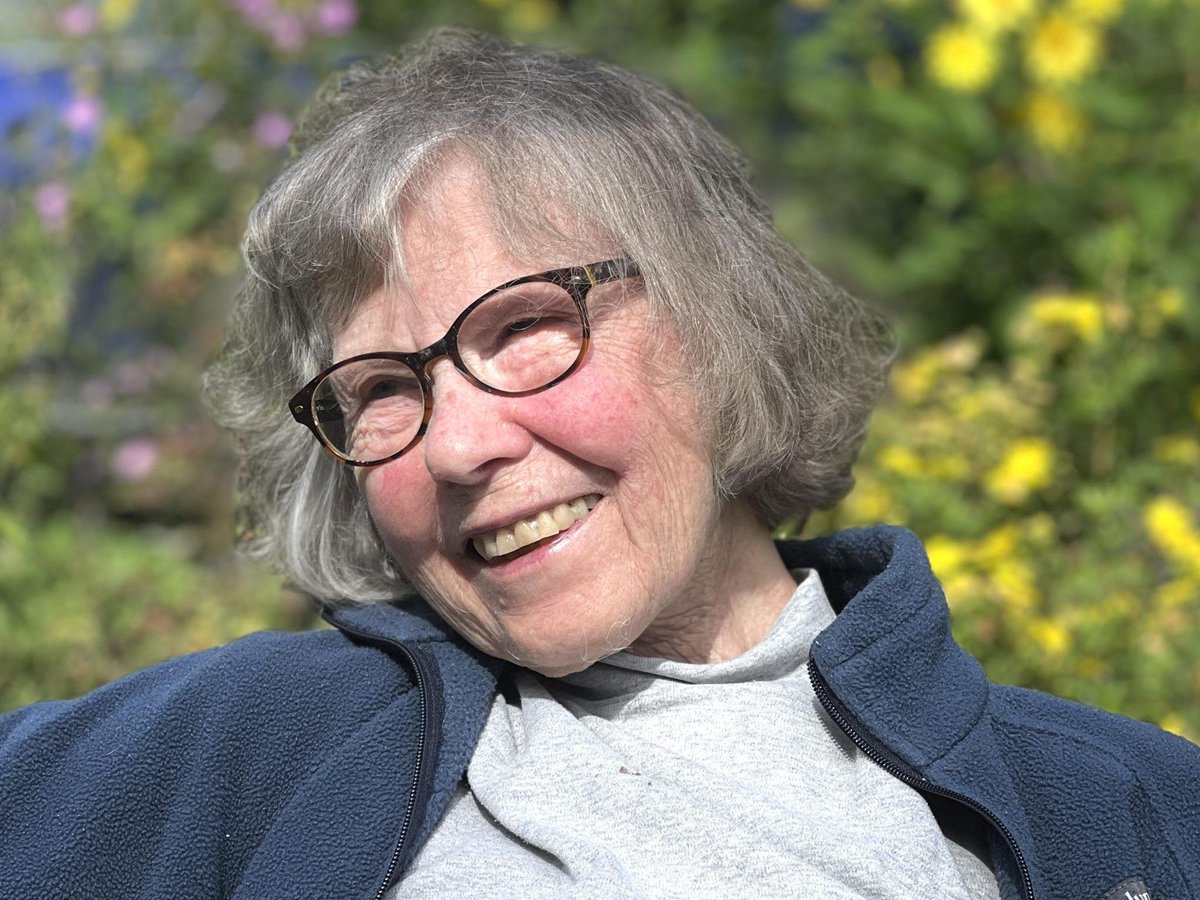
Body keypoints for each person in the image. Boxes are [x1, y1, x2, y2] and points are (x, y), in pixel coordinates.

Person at [1, 29, 1197, 900]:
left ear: (721, 325)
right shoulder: (260, 739)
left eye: (522, 326)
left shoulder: (1128, 804)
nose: (459, 444)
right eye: (382, 390)